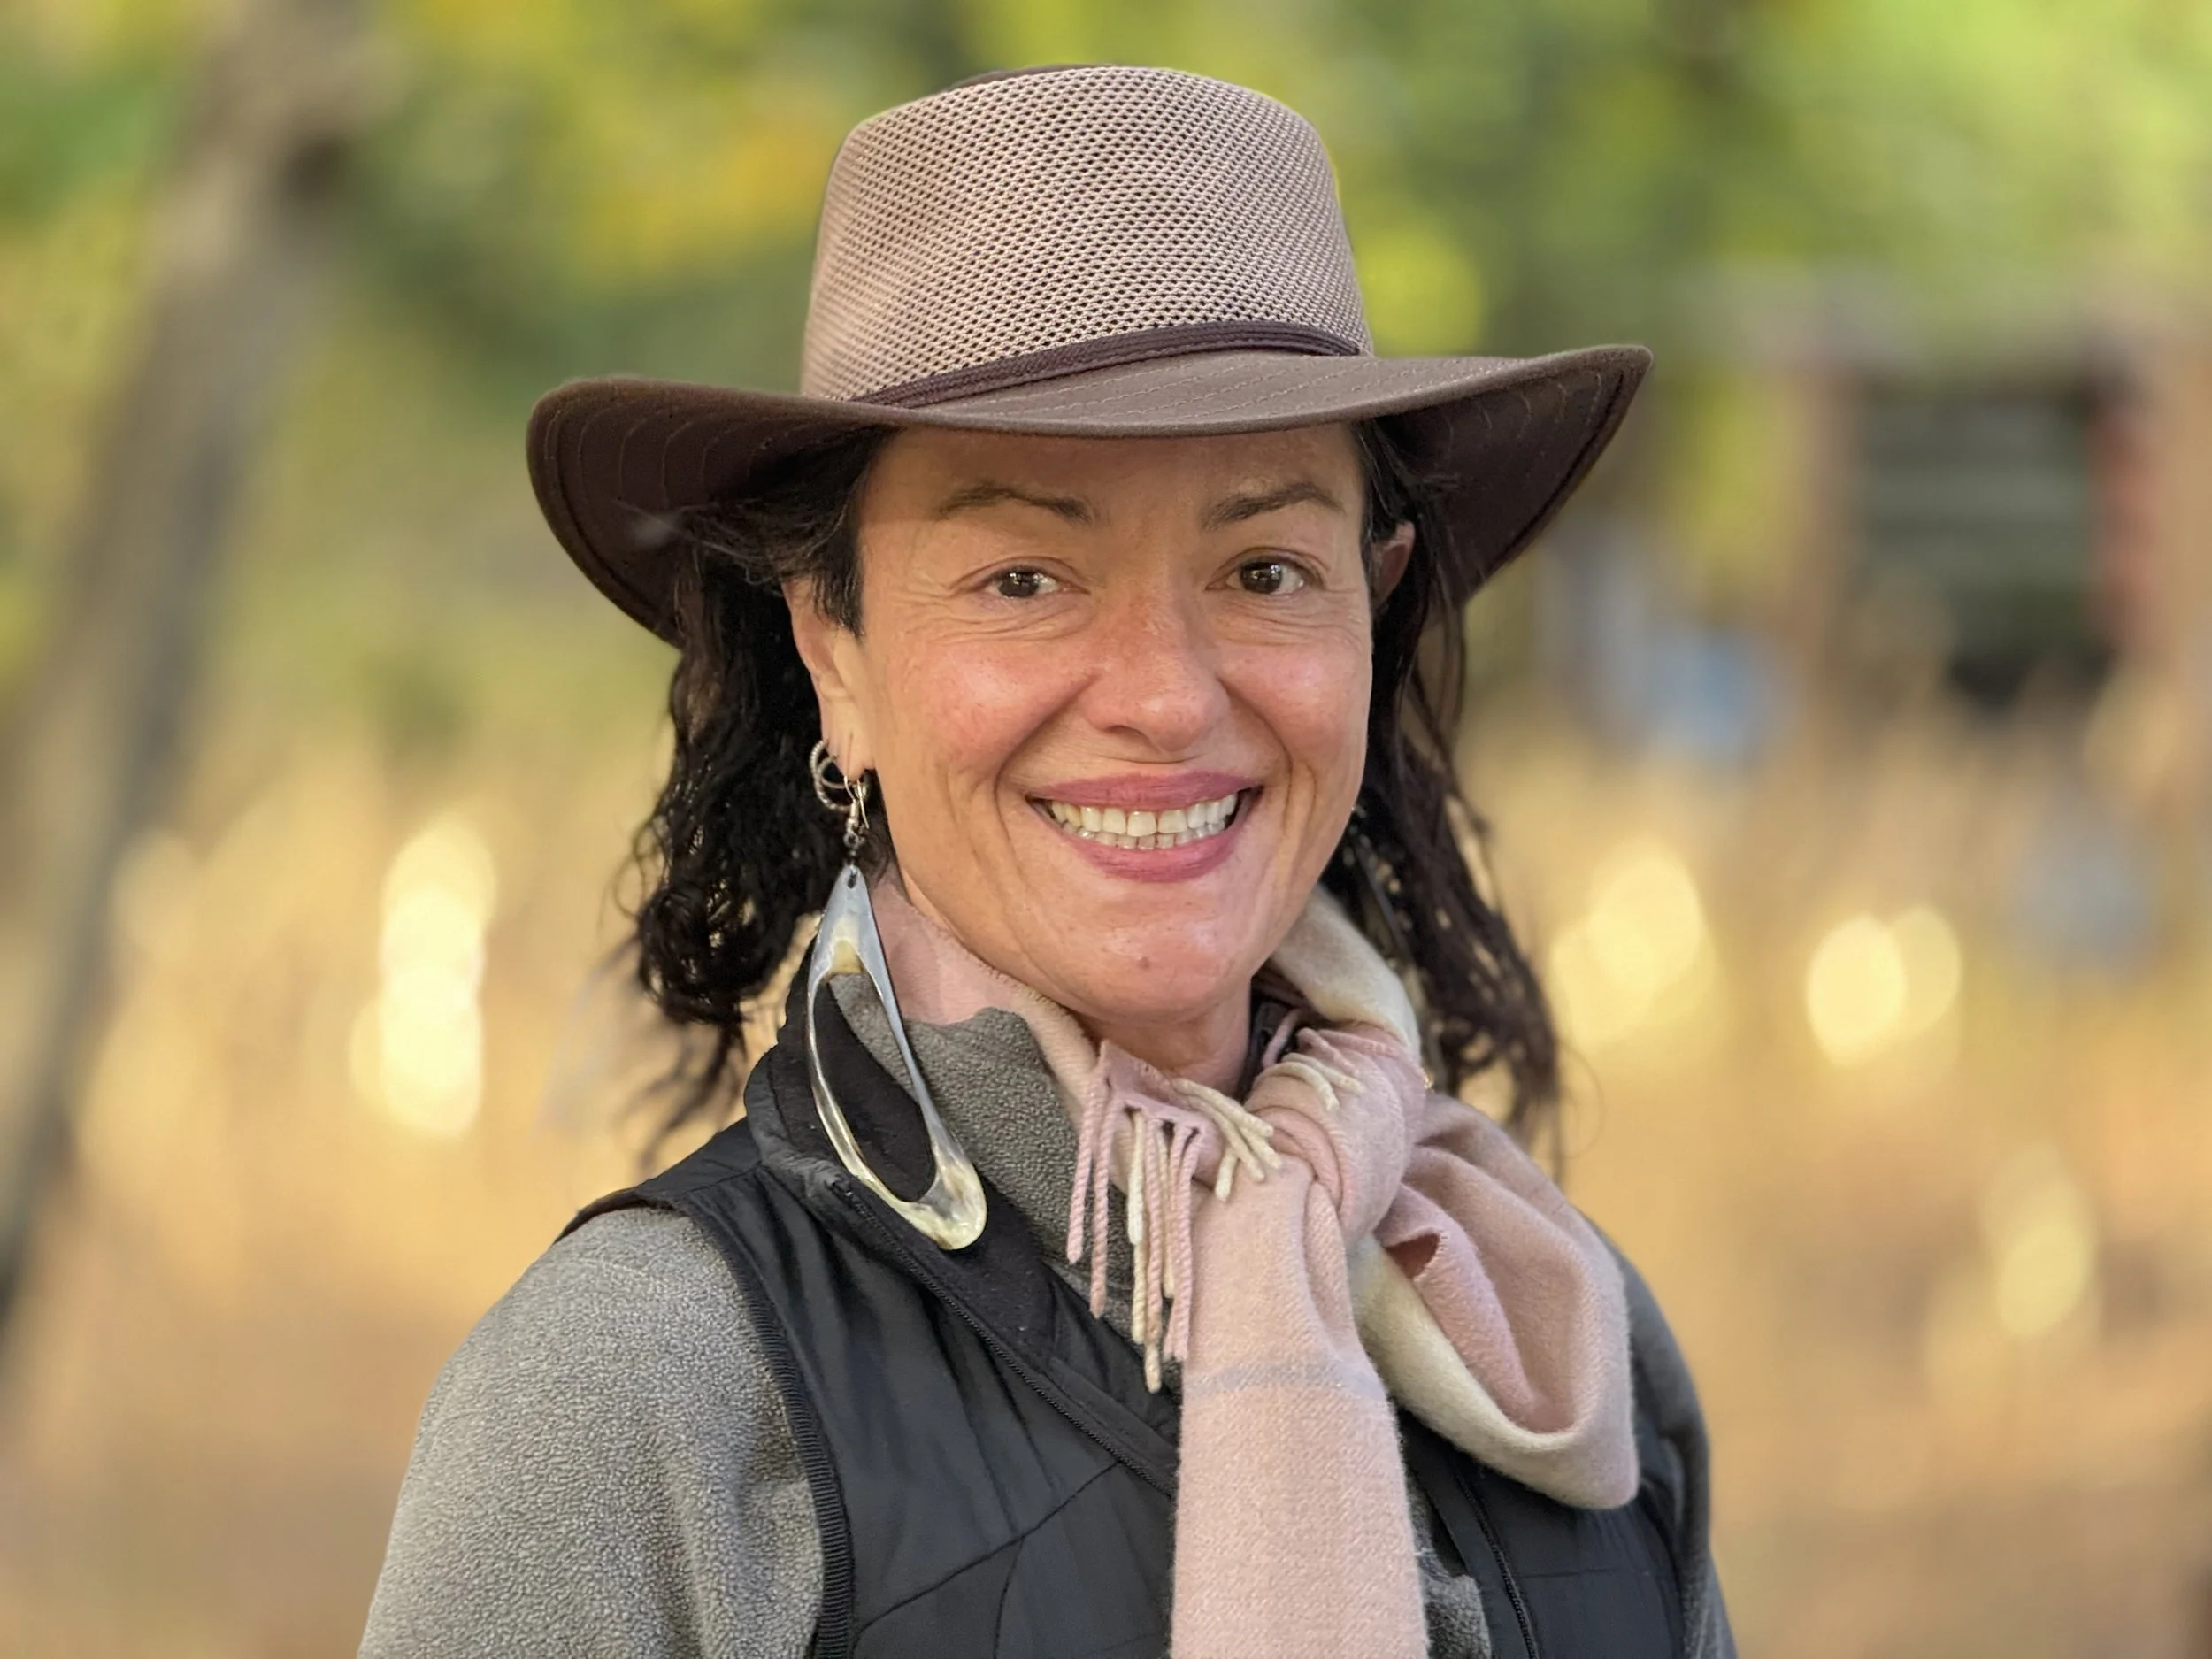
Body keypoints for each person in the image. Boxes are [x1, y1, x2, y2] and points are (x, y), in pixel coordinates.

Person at [361, 65, 1732, 1659]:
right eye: (1024, 577)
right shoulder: (649, 1394)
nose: (1163, 694)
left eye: (1267, 568)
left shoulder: (1549, 1332)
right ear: (837, 654)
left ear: (1373, 609)